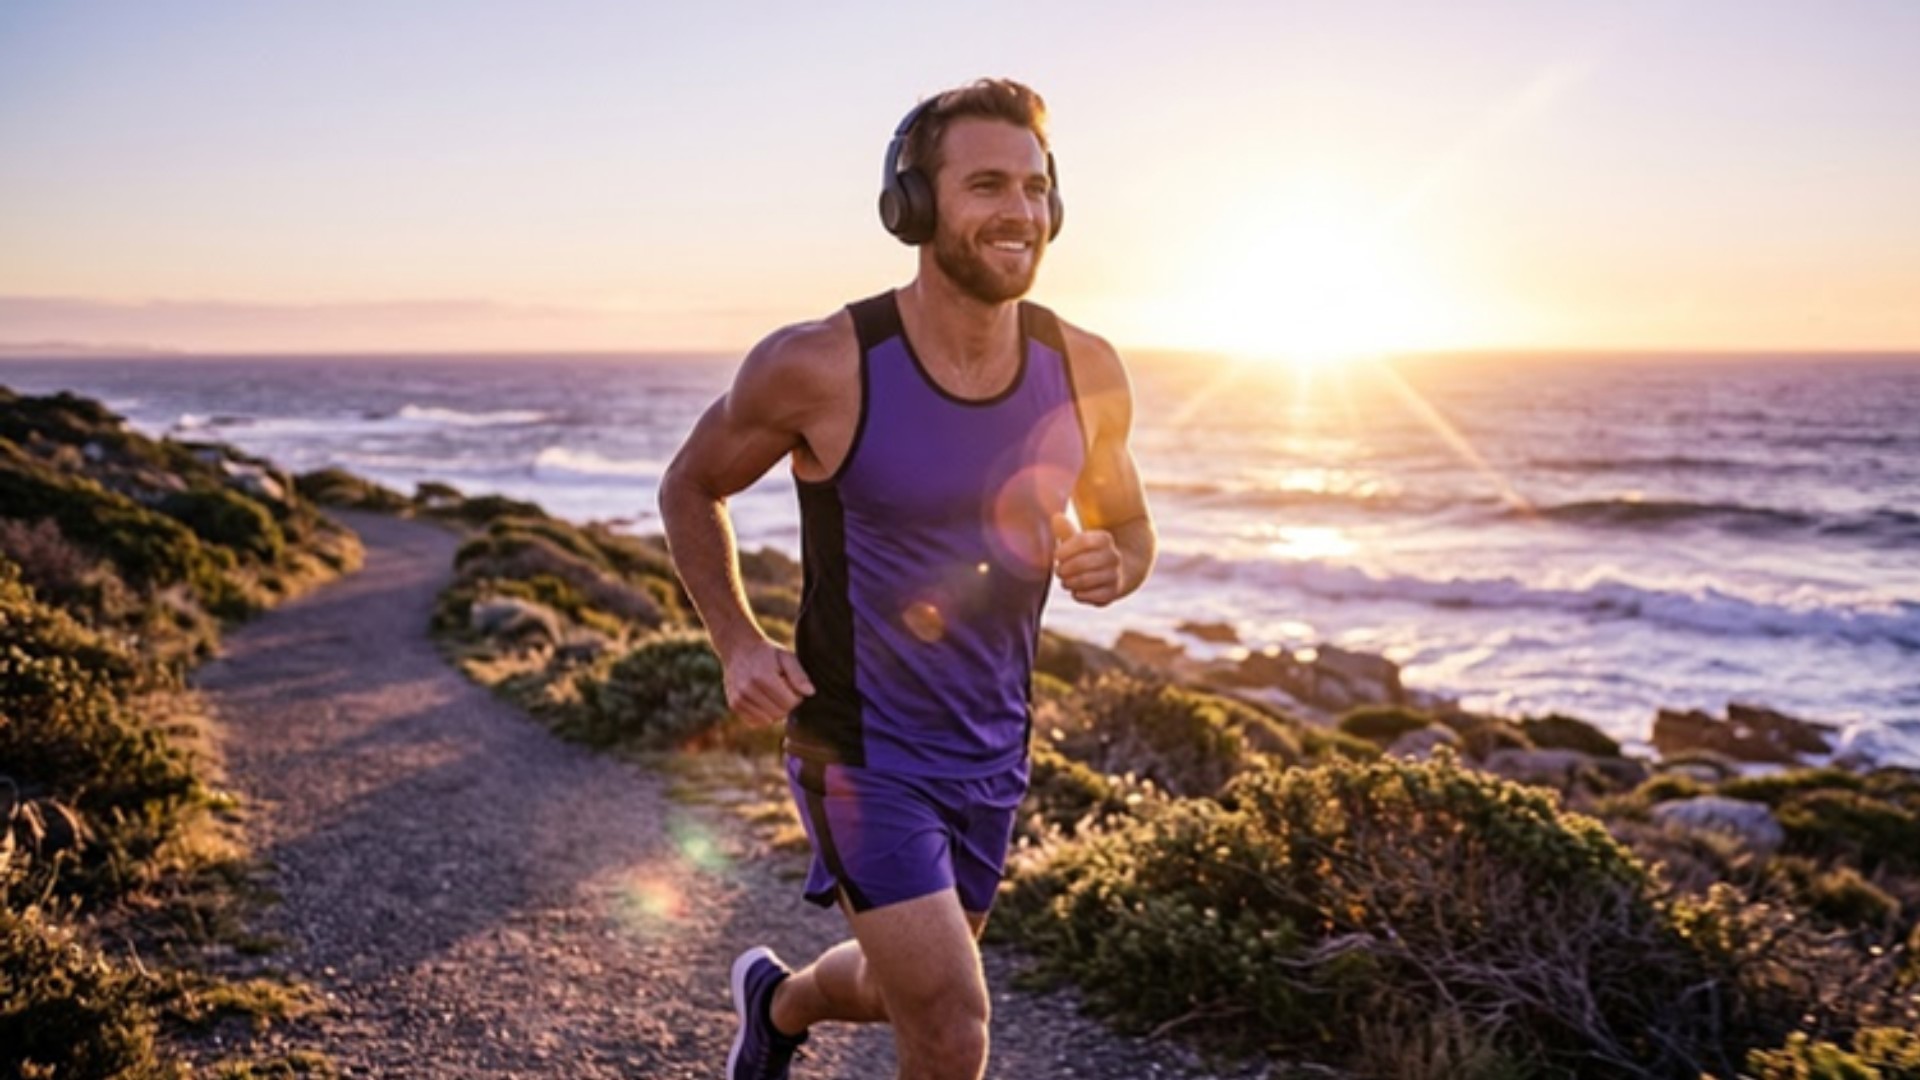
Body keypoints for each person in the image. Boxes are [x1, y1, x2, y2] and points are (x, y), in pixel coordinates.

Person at [657, 77, 1155, 1080]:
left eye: (1034, 187)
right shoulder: (823, 365)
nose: (1018, 212)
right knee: (953, 1021)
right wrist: (738, 642)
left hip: (992, 743)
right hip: (860, 749)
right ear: (912, 206)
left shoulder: (1085, 368)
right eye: (984, 186)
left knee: (902, 990)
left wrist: (1119, 564)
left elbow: (1130, 526)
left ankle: (779, 1002)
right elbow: (691, 486)